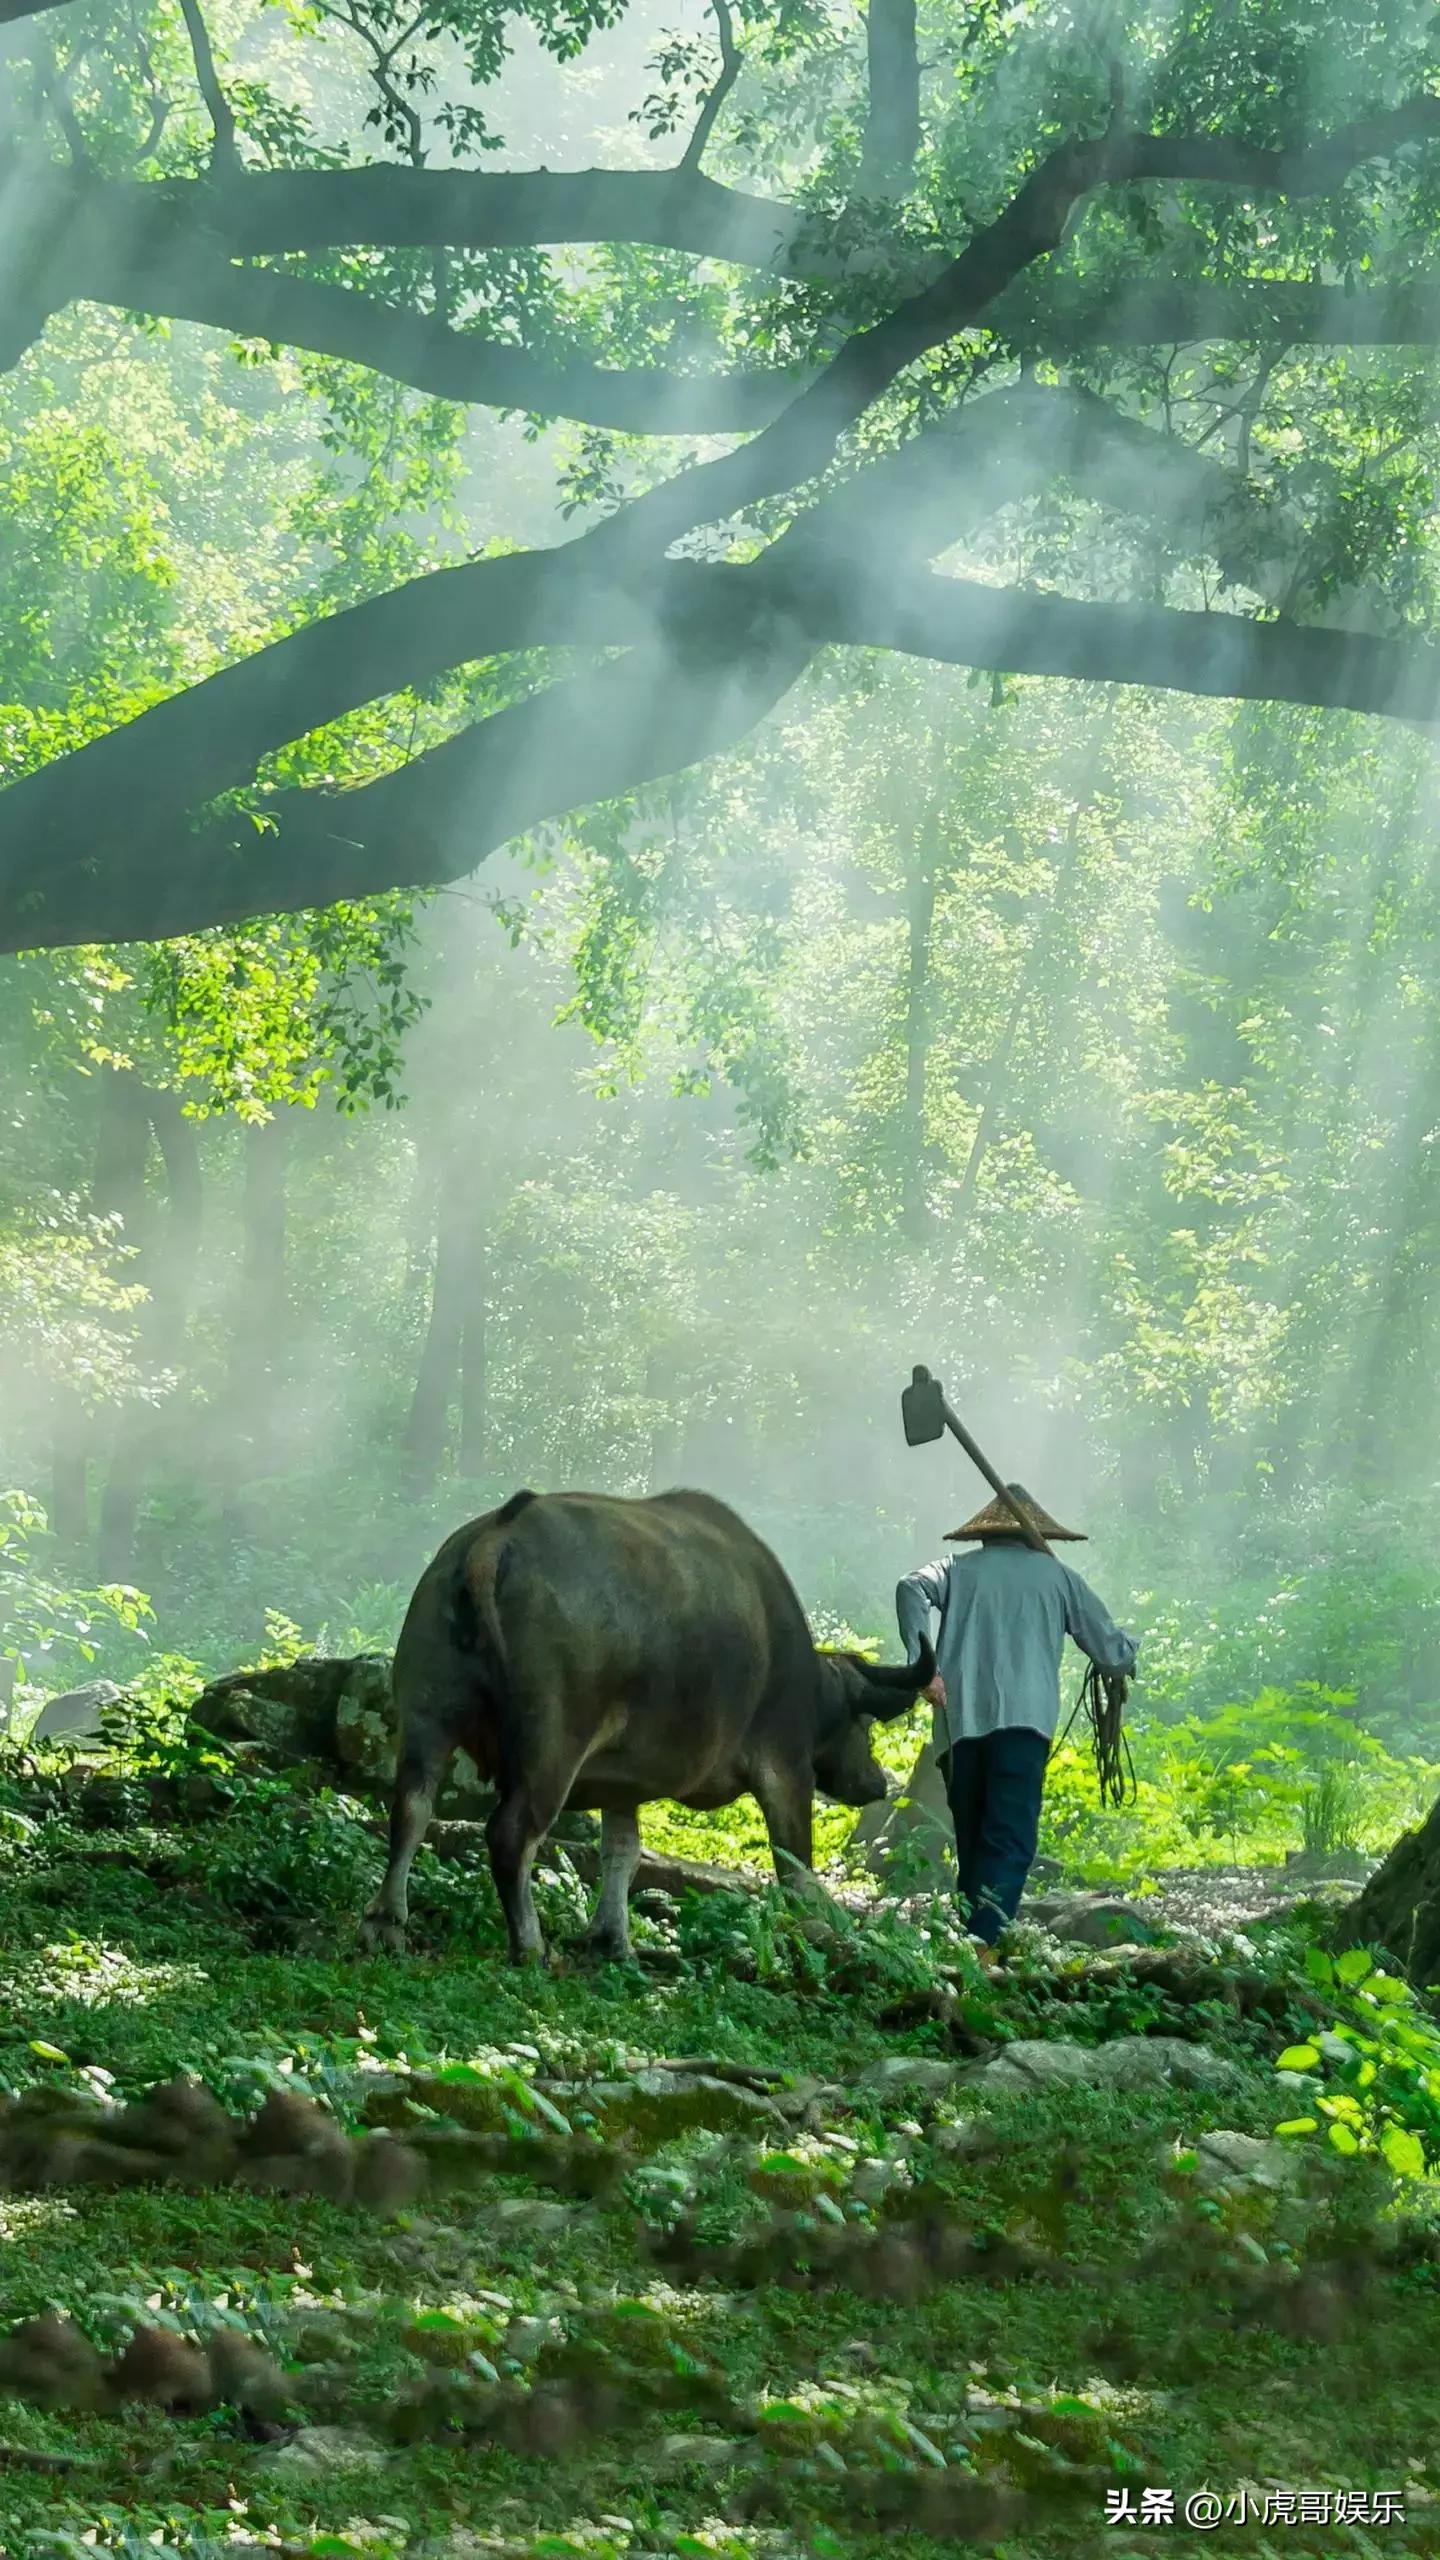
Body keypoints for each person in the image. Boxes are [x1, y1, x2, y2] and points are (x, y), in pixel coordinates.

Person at [895, 1483, 1137, 1960]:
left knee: (973, 1835)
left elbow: (910, 1587)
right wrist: (1129, 1648)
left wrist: (924, 1667)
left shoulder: (955, 1569)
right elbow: (1113, 1655)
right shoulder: (1058, 1577)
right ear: (1034, 1535)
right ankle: (983, 1944)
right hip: (1024, 1725)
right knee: (1009, 1837)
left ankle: (972, 1943)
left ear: (984, 1536)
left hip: (961, 1722)